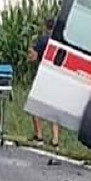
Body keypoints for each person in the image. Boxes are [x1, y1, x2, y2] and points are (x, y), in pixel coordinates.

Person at [27, 18, 60, 147]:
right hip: (56, 77)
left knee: (35, 105)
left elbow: (33, 58)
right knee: (54, 108)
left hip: (44, 76)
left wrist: (30, 49)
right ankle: (55, 139)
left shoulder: (43, 40)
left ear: (46, 27)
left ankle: (39, 135)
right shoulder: (59, 41)